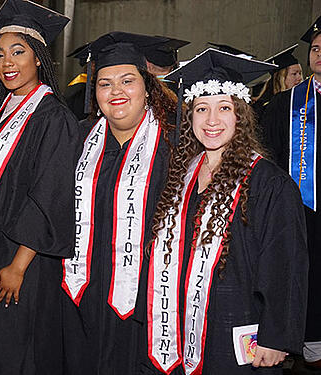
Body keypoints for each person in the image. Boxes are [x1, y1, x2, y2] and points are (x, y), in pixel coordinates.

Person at [145, 48, 307, 374]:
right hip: (178, 326)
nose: (212, 120)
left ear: (241, 116)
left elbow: (285, 265)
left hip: (237, 325)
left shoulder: (269, 183)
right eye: (202, 109)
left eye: (224, 108)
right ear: (190, 118)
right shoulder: (180, 174)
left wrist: (276, 337)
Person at [0, 1, 78, 373]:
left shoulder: (53, 117)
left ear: (39, 58)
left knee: (15, 352)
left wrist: (18, 265)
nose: (7, 62)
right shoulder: (0, 110)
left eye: (18, 52)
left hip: (20, 262)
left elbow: (50, 194)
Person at [59, 31, 178, 375]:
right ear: (94, 93)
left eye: (127, 81)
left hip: (143, 295)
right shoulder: (79, 139)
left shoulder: (174, 143)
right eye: (105, 84)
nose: (116, 92)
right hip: (79, 289)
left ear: (147, 87)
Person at [260, 16, 321, 369]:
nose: (318, 54)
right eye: (314, 49)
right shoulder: (285, 105)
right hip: (301, 215)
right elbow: (269, 158)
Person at [253, 45, 304, 122]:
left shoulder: (305, 102)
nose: (299, 78)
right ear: (281, 78)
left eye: (300, 73)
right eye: (294, 74)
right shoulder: (265, 107)